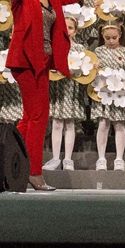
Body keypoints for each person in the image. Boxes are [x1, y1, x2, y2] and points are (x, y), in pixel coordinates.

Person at [3, 0, 117, 190]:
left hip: (43, 60)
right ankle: (33, 172)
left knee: (31, 117)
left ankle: (11, 162)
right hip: (25, 60)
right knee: (38, 116)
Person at [43, 15, 89, 172]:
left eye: (70, 28)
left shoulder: (80, 50)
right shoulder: (52, 46)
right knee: (56, 123)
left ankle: (68, 159)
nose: (66, 31)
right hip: (57, 89)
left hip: (71, 90)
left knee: (69, 123)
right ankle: (56, 158)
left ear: (75, 31)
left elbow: (86, 69)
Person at [91, 22, 125, 171]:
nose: (110, 41)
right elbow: (92, 73)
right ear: (102, 36)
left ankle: (119, 159)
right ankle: (101, 158)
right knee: (103, 123)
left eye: (114, 37)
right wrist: (94, 69)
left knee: (119, 124)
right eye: (107, 38)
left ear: (120, 35)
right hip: (104, 93)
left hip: (120, 94)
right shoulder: (98, 51)